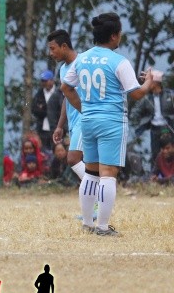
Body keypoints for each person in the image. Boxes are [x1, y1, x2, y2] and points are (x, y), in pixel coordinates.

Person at [61, 12, 155, 236]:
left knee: (91, 172)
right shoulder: (119, 61)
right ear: (113, 36)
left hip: (89, 121)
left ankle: (87, 223)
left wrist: (83, 107)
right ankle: (103, 227)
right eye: (120, 33)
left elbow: (66, 88)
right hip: (112, 121)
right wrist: (150, 81)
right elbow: (137, 94)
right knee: (108, 173)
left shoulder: (81, 58)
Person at [47, 29, 88, 184]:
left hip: (85, 119)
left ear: (64, 46)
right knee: (89, 164)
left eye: (52, 48)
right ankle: (97, 198)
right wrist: (60, 126)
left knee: (72, 159)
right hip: (74, 122)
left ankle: (98, 189)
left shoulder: (84, 62)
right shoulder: (63, 69)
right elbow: (67, 97)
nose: (51, 53)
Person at [132, 70, 174, 165]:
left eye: (149, 81)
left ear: (155, 83)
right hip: (154, 128)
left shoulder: (170, 95)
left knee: (170, 151)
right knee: (155, 153)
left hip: (168, 127)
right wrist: (142, 121)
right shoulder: (147, 98)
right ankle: (155, 175)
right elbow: (135, 112)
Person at [32, 69, 63, 151]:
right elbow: (35, 109)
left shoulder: (59, 93)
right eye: (42, 81)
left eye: (45, 81)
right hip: (43, 129)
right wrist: (47, 111)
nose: (44, 83)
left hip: (57, 127)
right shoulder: (39, 94)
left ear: (52, 80)